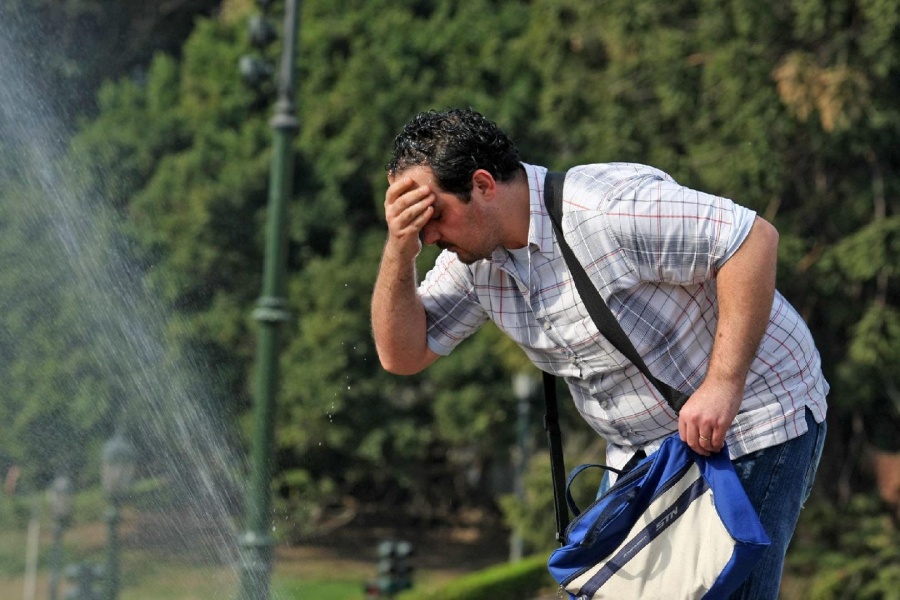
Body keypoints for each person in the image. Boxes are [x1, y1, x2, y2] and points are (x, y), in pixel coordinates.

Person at [371, 107, 827, 599]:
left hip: (752, 418)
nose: (429, 234)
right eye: (413, 224)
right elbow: (403, 354)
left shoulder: (606, 209)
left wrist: (723, 384)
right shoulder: (474, 265)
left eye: (431, 215)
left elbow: (751, 240)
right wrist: (400, 250)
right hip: (647, 455)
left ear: (483, 185)